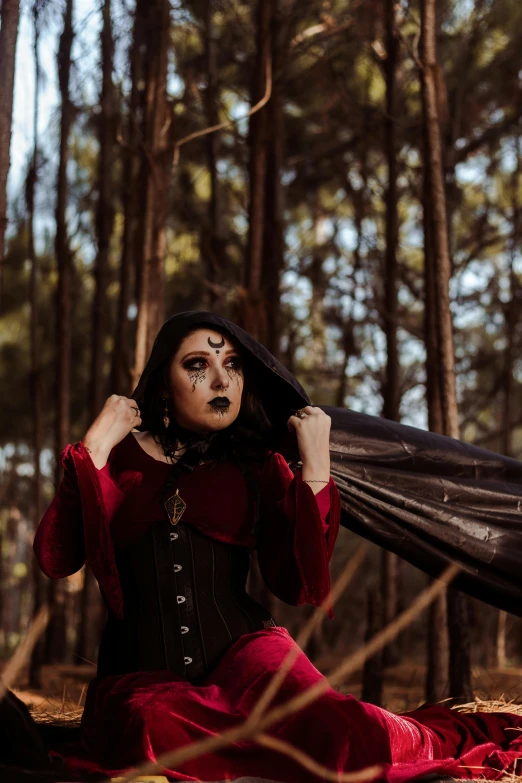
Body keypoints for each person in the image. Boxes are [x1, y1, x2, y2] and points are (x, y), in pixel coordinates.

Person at [33, 311, 522, 783]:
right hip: (142, 678)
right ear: (163, 382)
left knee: (344, 733)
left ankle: (419, 738)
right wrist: (93, 448)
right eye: (198, 365)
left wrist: (315, 470)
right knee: (150, 727)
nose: (222, 381)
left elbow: (295, 582)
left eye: (233, 366)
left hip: (248, 660)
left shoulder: (258, 465)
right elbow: (56, 560)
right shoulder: (116, 455)